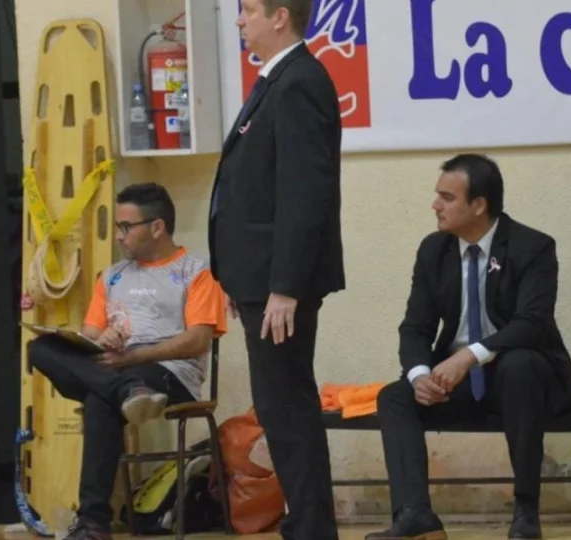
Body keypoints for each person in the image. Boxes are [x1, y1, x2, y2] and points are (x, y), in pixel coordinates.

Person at [367, 154, 571, 540]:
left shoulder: (532, 247)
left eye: (447, 197)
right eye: (438, 195)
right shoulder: (434, 250)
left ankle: (526, 511)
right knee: (394, 397)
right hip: (460, 382)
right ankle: (415, 516)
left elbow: (532, 323)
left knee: (519, 365)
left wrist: (469, 355)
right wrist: (419, 376)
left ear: (478, 205)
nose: (435, 205)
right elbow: (415, 327)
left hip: (522, 379)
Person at [206, 0, 344, 537]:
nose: (240, 21)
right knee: (279, 405)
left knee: (287, 407)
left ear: (279, 16)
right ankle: (305, 525)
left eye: (248, 11)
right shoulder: (276, 80)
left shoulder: (299, 83)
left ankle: (312, 529)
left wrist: (284, 286)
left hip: (278, 285)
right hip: (258, 279)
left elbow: (304, 194)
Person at [27, 183, 227, 540]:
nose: (119, 235)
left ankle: (93, 523)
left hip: (169, 374)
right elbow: (90, 333)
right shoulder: (112, 275)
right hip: (117, 370)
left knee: (99, 399)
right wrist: (103, 338)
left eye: (125, 226)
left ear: (157, 227)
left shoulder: (197, 271)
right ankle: (125, 390)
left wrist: (134, 356)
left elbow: (197, 339)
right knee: (40, 348)